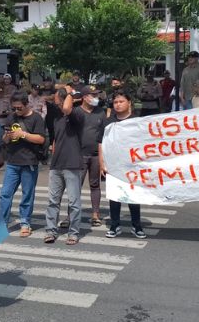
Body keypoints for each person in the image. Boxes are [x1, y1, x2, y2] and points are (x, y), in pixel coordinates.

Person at [0, 91, 46, 236]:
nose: (16, 111)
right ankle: (2, 222)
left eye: (19, 108)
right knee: (5, 193)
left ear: (27, 104)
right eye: (14, 108)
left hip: (29, 161)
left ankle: (25, 222)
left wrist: (23, 135)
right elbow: (4, 140)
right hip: (12, 161)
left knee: (27, 194)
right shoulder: (11, 117)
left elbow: (41, 139)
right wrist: (7, 136)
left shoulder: (36, 118)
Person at [100, 90, 146, 239]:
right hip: (113, 165)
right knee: (115, 196)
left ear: (129, 103)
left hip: (131, 165)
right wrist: (102, 163)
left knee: (133, 196)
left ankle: (136, 226)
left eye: (121, 101)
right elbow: (101, 143)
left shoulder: (135, 121)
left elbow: (142, 143)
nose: (118, 105)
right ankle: (114, 225)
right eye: (115, 102)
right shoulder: (108, 122)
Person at [44, 87, 83, 245]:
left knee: (74, 202)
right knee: (53, 201)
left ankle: (73, 233)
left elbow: (67, 108)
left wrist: (68, 93)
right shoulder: (56, 118)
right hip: (56, 164)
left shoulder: (77, 114)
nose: (56, 103)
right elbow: (55, 138)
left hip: (72, 164)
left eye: (57, 100)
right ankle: (50, 231)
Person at [77, 86, 106, 227]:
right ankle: (72, 216)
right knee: (75, 186)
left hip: (96, 155)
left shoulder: (101, 112)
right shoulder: (76, 112)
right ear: (84, 97)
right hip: (79, 155)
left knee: (95, 185)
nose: (95, 97)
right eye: (92, 95)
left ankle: (95, 214)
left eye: (96, 95)